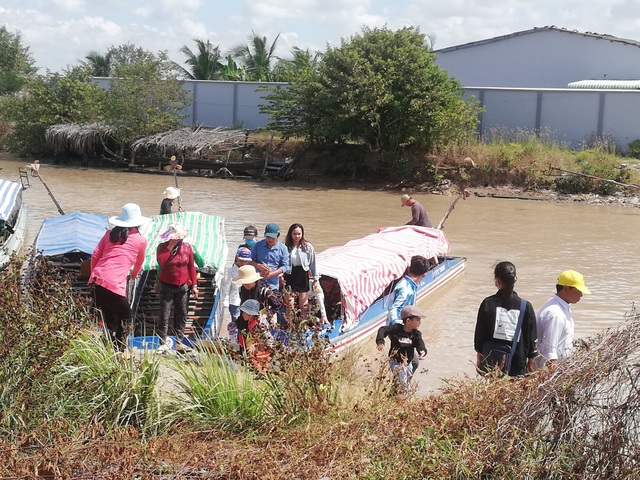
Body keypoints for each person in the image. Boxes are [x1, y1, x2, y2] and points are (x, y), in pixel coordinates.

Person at [89, 203, 149, 351]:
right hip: (114, 283)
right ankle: (120, 350)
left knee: (111, 317)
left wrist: (92, 276)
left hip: (97, 280)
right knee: (127, 318)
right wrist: (134, 274)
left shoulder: (109, 234)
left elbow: (95, 255)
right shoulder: (140, 240)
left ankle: (106, 349)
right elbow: (139, 262)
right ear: (139, 223)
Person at [474, 261, 538, 376]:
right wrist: (531, 360)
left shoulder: (488, 304)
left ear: (497, 280)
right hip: (518, 363)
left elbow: (480, 335)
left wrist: (479, 358)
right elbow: (532, 338)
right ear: (516, 279)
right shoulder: (525, 306)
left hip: (492, 363)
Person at [154, 222, 199, 354]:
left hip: (183, 285)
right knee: (164, 314)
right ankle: (162, 343)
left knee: (182, 313)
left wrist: (194, 285)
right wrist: (170, 247)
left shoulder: (187, 248)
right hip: (166, 285)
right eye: (175, 237)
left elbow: (191, 266)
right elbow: (161, 262)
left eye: (179, 237)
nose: (178, 240)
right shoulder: (162, 247)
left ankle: (179, 342)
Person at [535, 270, 591, 370]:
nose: (581, 295)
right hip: (547, 373)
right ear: (565, 288)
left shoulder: (561, 307)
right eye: (578, 290)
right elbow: (549, 352)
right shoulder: (555, 314)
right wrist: (553, 380)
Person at [376, 305, 428, 389]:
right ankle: (402, 397)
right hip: (396, 361)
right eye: (418, 320)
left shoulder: (416, 334)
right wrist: (380, 341)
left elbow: (419, 342)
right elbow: (383, 329)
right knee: (404, 386)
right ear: (408, 321)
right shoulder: (396, 329)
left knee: (407, 379)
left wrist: (422, 351)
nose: (420, 322)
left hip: (408, 362)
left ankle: (394, 392)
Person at [283, 223, 318, 316]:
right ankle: (290, 325)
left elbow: (313, 263)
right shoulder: (285, 247)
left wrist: (315, 279)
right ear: (290, 234)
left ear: (302, 234)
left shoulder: (308, 246)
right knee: (290, 304)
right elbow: (281, 263)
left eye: (299, 234)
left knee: (303, 304)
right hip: (289, 273)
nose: (297, 236)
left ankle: (304, 323)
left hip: (302, 273)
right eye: (294, 234)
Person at [387, 255, 430, 326]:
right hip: (399, 329)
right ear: (424, 275)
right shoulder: (406, 289)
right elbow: (395, 309)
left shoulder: (406, 284)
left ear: (408, 269)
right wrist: (398, 324)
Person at [221, 246, 253, 339]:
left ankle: (245, 339)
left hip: (246, 301)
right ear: (237, 258)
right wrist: (225, 300)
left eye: (246, 261)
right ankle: (234, 339)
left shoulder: (250, 270)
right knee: (236, 321)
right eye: (241, 260)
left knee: (247, 321)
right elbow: (226, 286)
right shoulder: (231, 271)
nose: (243, 263)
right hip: (235, 301)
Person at [250, 223, 290, 291]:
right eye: (268, 237)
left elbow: (285, 267)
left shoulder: (283, 249)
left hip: (273, 285)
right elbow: (249, 261)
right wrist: (258, 265)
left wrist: (271, 274)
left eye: (273, 237)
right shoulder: (257, 246)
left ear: (278, 236)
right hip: (258, 282)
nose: (270, 240)